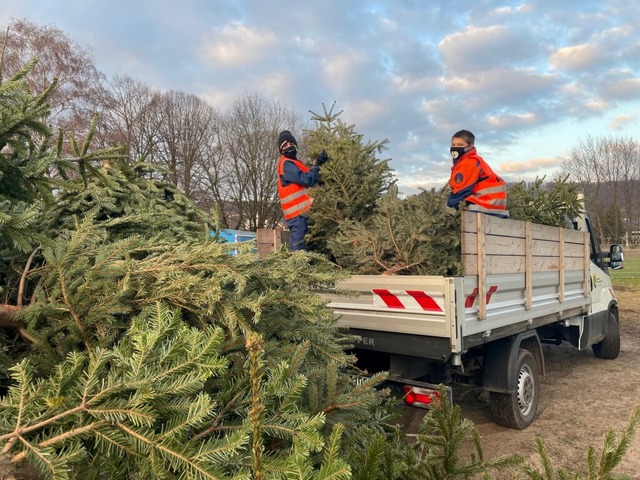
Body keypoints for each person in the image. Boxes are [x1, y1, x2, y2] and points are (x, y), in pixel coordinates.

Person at [276, 130, 328, 251]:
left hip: (303, 213)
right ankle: (297, 268)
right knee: (298, 246)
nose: (289, 147)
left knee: (304, 244)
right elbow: (307, 179)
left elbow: (310, 177)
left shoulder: (295, 163)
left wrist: (318, 165)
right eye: (285, 146)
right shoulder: (286, 165)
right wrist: (318, 165)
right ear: (281, 150)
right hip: (297, 215)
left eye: (290, 143)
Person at [446, 129, 509, 218]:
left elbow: (460, 193)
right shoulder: (476, 160)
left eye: (460, 145)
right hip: (495, 207)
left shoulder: (468, 163)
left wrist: (446, 212)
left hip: (483, 206)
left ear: (471, 145)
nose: (455, 147)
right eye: (453, 144)